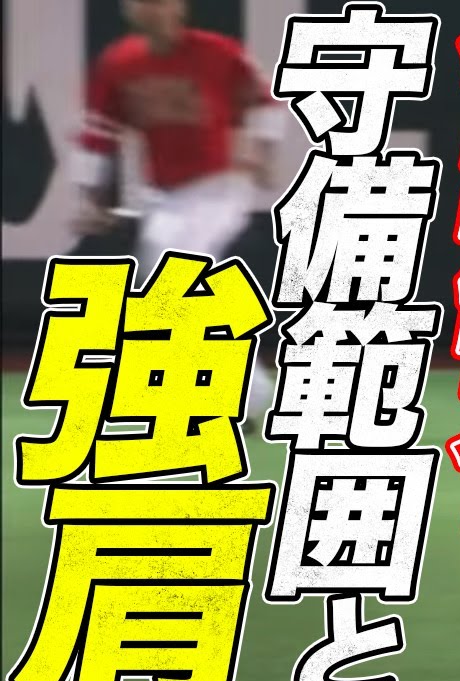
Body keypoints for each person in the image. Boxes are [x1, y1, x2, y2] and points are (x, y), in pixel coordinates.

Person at [72, 0, 284, 428]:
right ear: (130, 11)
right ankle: (250, 392)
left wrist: (260, 155)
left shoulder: (217, 52)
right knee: (170, 294)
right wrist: (91, 198)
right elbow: (98, 134)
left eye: (162, 2)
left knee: (177, 278)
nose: (153, 10)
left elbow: (265, 102)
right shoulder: (119, 63)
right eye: (143, 3)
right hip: (163, 196)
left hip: (219, 187)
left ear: (179, 8)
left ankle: (230, 396)